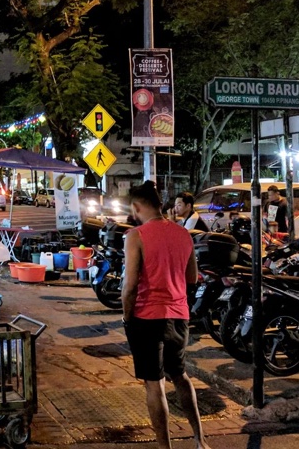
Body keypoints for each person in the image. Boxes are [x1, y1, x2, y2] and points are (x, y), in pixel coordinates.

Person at [122, 181, 210, 449]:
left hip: (147, 317)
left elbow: (130, 286)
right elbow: (192, 277)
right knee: (180, 375)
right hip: (179, 315)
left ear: (137, 207)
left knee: (154, 384)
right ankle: (200, 440)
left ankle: (165, 448)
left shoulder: (136, 236)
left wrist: (127, 318)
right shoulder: (183, 234)